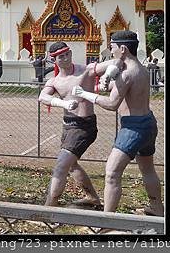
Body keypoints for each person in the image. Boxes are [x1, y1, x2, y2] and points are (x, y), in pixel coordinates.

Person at [71, 31, 163, 217]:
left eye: (112, 47)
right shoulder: (141, 69)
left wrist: (85, 94)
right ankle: (157, 209)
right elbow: (120, 88)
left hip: (133, 128)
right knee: (147, 169)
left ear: (123, 48)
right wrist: (105, 83)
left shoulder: (127, 73)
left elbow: (112, 104)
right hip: (147, 123)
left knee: (112, 173)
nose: (110, 52)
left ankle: (108, 221)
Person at [39, 41, 122, 208]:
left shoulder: (86, 70)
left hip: (85, 126)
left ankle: (49, 209)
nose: (65, 59)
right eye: (60, 57)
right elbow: (42, 97)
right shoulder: (55, 81)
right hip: (68, 125)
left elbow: (117, 62)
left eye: (67, 54)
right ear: (53, 59)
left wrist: (106, 76)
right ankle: (92, 197)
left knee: (61, 165)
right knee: (71, 165)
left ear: (70, 53)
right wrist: (63, 104)